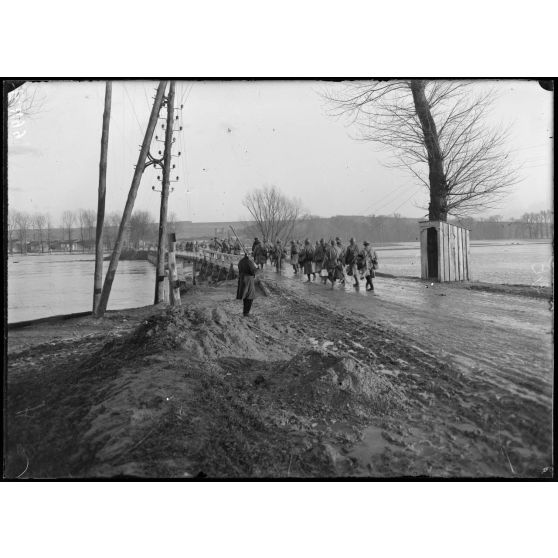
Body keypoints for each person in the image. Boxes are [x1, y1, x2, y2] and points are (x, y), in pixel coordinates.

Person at [237, 252, 258, 316]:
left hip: (242, 278)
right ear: (249, 256)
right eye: (251, 255)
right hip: (249, 279)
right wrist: (257, 267)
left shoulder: (240, 261)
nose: (252, 257)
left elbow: (239, 269)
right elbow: (253, 271)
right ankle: (246, 312)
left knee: (245, 296)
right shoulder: (250, 262)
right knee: (250, 297)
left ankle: (245, 312)